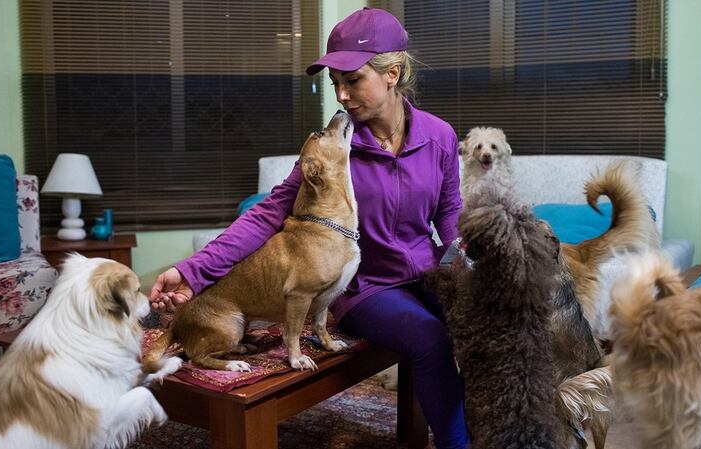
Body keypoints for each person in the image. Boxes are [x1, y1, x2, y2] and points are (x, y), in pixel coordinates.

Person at [149, 7, 469, 448]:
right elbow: (268, 213)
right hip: (366, 287)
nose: (341, 95)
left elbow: (450, 212)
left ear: (392, 73)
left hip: (427, 270)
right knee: (430, 337)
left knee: (489, 325)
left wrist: (465, 260)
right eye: (335, 83)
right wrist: (192, 271)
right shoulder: (334, 149)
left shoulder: (440, 136)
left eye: (352, 80)